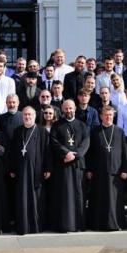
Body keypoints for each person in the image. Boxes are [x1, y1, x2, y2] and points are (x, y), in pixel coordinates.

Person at [49, 99, 89, 232]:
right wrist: (65, 153)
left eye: (71, 108)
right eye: (66, 109)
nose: (68, 111)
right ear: (62, 109)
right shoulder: (56, 125)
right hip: (63, 164)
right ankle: (64, 225)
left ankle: (78, 224)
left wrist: (75, 154)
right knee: (64, 195)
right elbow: (53, 142)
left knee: (78, 194)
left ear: (75, 109)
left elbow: (86, 143)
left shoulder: (82, 125)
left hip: (78, 165)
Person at [9, 106, 51, 235]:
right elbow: (12, 152)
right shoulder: (17, 131)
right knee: (22, 197)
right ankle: (23, 225)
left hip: (36, 171)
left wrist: (48, 168)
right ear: (22, 117)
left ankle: (36, 226)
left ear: (34, 116)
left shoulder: (42, 131)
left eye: (30, 115)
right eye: (25, 115)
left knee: (36, 198)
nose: (27, 117)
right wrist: (12, 168)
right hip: (21, 171)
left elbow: (47, 151)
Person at [86, 106, 127, 231]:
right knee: (100, 198)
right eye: (106, 115)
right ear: (101, 116)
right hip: (99, 171)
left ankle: (115, 224)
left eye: (110, 115)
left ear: (113, 116)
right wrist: (89, 169)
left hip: (116, 172)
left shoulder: (119, 131)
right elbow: (89, 152)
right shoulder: (94, 131)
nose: (108, 117)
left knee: (114, 200)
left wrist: (125, 169)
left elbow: (125, 152)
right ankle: (99, 224)